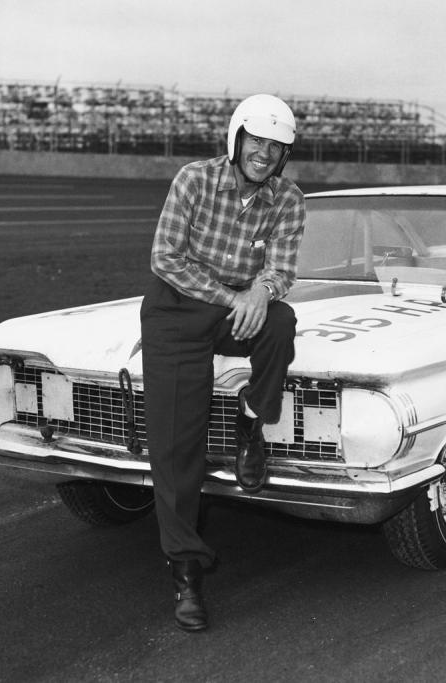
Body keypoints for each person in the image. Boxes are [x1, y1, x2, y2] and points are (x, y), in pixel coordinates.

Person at [139, 94, 306, 632]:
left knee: (280, 323)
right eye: (256, 140)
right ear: (237, 140)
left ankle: (252, 423)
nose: (264, 153)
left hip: (239, 307)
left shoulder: (289, 199)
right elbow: (165, 258)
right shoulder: (193, 179)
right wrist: (232, 297)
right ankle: (187, 572)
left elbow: (281, 269)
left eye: (276, 147)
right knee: (175, 446)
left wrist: (260, 291)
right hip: (178, 307)